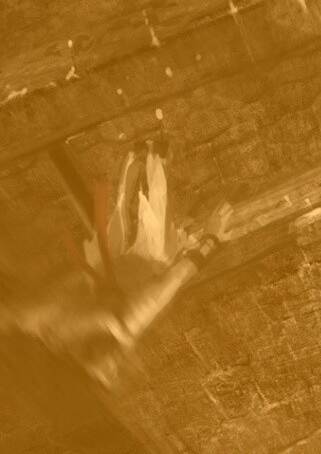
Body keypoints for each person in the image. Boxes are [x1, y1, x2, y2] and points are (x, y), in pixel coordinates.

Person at [1, 146, 232, 388]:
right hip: (128, 271)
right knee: (156, 253)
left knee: (147, 257)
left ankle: (150, 162)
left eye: (108, 369)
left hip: (109, 275)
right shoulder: (119, 323)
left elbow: (176, 277)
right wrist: (211, 240)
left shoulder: (53, 327)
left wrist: (211, 239)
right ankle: (153, 161)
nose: (114, 367)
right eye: (112, 370)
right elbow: (175, 277)